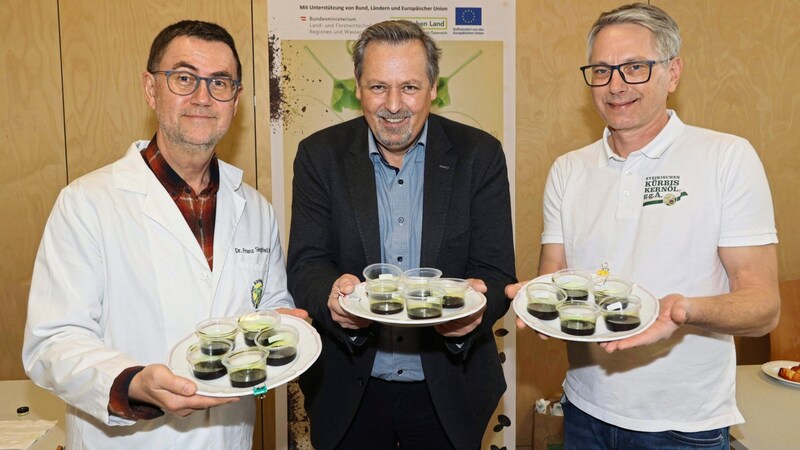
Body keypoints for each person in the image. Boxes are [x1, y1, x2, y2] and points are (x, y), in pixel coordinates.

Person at [507, 3, 779, 449]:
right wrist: (536, 302)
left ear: (672, 73)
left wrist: (682, 310)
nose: (615, 86)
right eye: (601, 70)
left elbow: (763, 307)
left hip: (683, 424)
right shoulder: (568, 169)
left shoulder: (726, 157)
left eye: (634, 67)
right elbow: (555, 277)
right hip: (583, 411)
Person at [22, 20, 305, 449]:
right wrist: (134, 384)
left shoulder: (256, 210)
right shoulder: (87, 203)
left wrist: (280, 326)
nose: (203, 97)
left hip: (228, 437)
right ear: (152, 89)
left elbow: (268, 307)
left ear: (235, 100)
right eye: (184, 78)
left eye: (220, 83)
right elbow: (51, 342)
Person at [287, 20, 516, 450]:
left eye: (409, 87)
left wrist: (472, 314)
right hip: (348, 390)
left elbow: (498, 272)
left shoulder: (479, 156)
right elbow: (306, 264)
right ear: (357, 87)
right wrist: (332, 298)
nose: (394, 105)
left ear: (433, 87)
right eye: (378, 87)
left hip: (451, 390)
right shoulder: (319, 157)